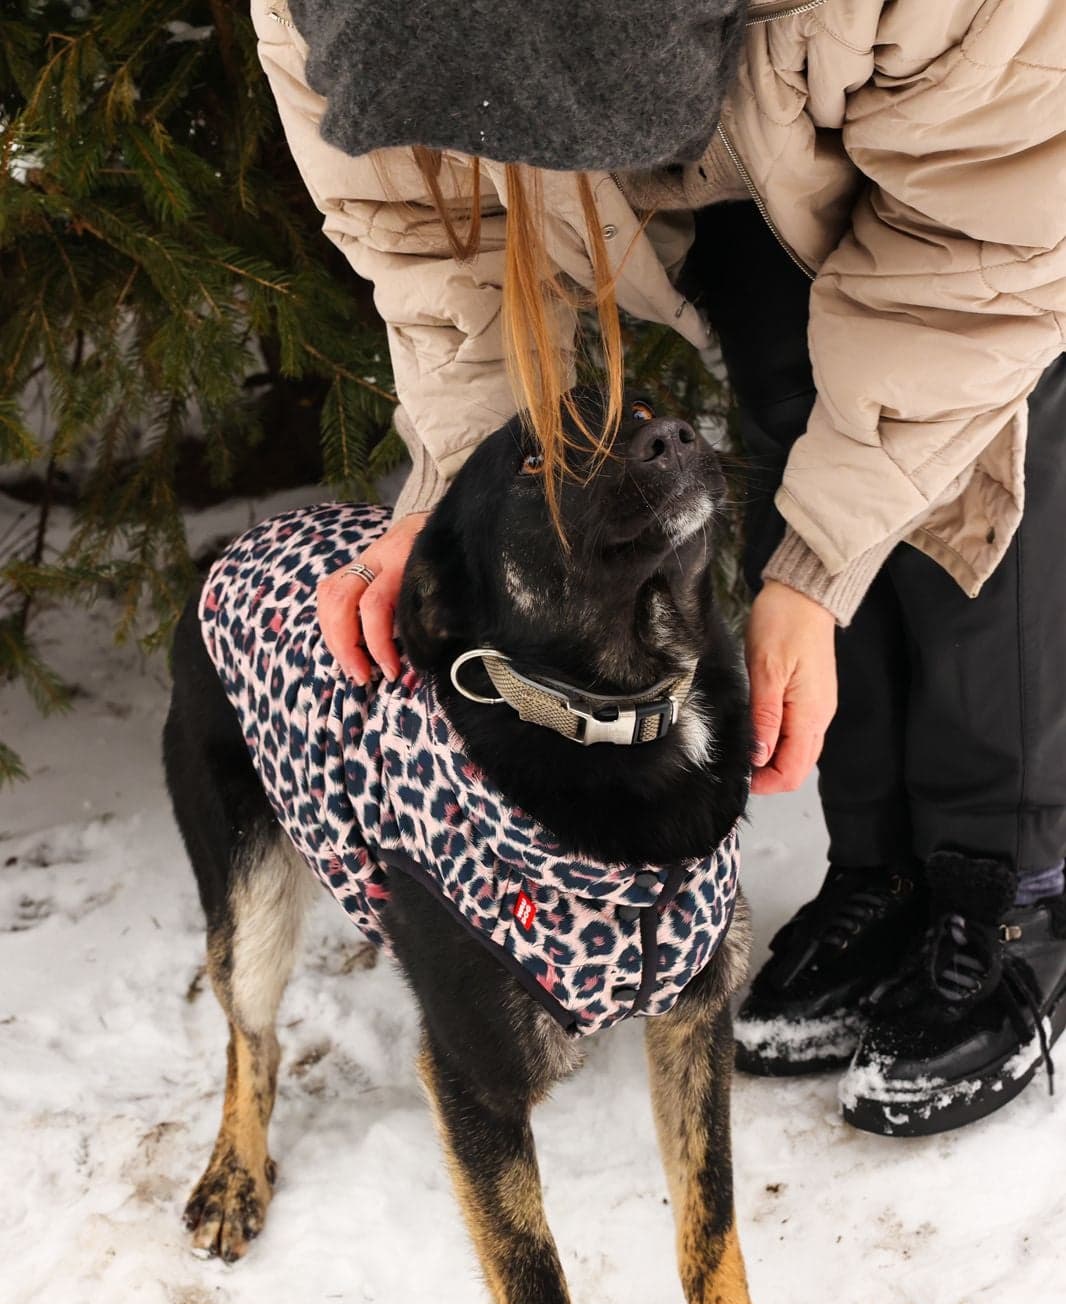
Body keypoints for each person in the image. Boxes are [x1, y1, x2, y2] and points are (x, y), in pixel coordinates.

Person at [249, 0, 1066, 1134]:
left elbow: (986, 258)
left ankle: (1008, 881)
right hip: (756, 129)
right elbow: (437, 247)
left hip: (964, 167)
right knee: (798, 403)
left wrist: (816, 575)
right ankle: (880, 864)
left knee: (970, 454)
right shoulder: (311, 13)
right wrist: (444, 497)